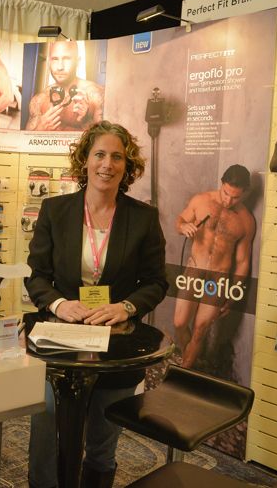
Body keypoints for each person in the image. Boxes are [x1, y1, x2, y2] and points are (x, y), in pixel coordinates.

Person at [25, 121, 167, 487]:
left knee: (103, 441)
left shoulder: (143, 218)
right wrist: (58, 303)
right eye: (99, 154)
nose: (107, 164)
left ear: (127, 165)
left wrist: (126, 307)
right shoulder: (55, 210)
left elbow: (156, 282)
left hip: (115, 346)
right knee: (46, 430)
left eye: (117, 157)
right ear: (85, 160)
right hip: (60, 344)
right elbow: (37, 276)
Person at [173, 164, 256, 368]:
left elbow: (243, 261)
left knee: (200, 330)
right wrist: (183, 226)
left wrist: (233, 292)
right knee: (180, 323)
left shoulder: (246, 221)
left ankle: (186, 371)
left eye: (236, 197)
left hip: (218, 280)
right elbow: (179, 221)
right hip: (194, 271)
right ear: (222, 183)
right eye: (226, 193)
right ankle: (192, 362)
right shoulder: (201, 200)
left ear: (245, 193)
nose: (228, 200)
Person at [26, 40, 104, 131]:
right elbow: (25, 137)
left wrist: (86, 120)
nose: (60, 67)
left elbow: (105, 137)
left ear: (78, 61)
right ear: (49, 62)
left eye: (66, 59)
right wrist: (40, 128)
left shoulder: (96, 95)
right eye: (55, 59)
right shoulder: (39, 100)